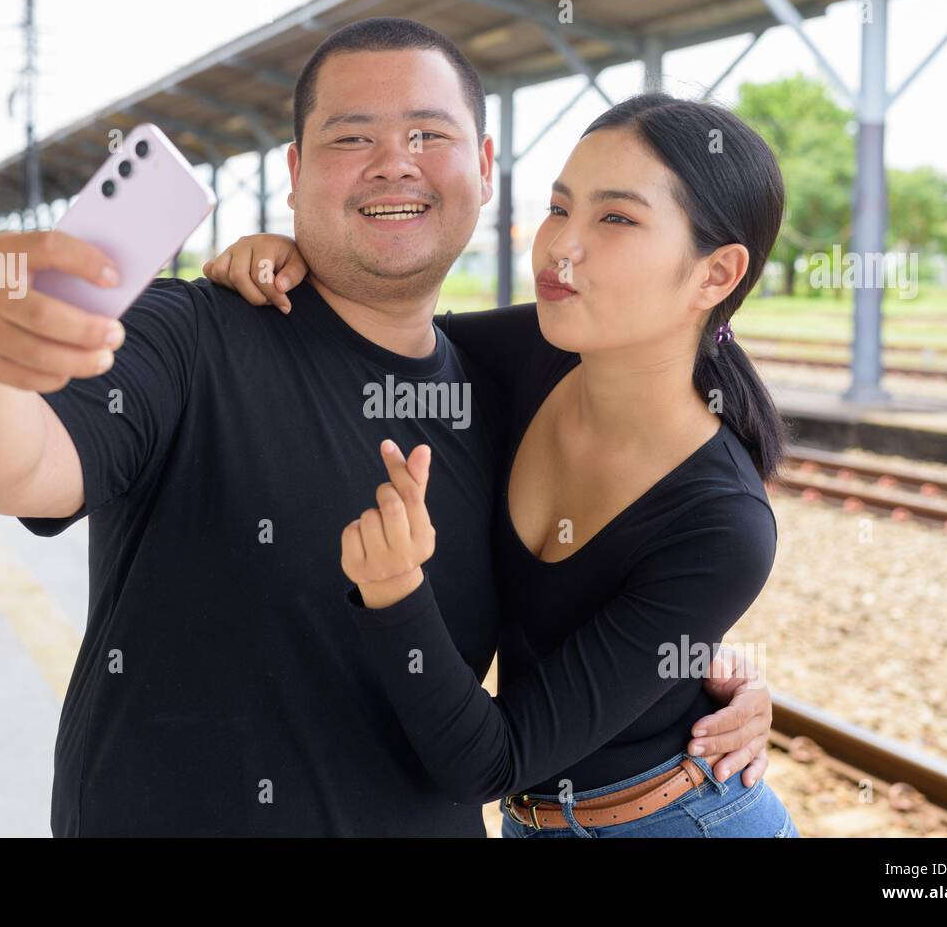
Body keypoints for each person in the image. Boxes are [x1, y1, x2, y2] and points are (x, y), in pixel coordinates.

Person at [0, 17, 771, 837]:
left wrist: (699, 666)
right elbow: (6, 468)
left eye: (428, 136)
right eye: (351, 138)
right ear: (292, 170)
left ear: (482, 165)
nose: (395, 164)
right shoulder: (188, 334)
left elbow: (649, 510)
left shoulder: (502, 379)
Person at [205, 91, 798, 837]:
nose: (559, 246)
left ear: (716, 275)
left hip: (680, 821)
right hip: (539, 823)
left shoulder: (723, 523)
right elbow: (368, 342)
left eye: (615, 218)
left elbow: (492, 760)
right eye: (559, 207)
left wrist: (393, 591)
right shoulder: (523, 353)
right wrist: (288, 262)